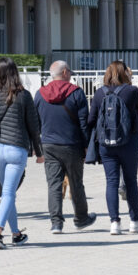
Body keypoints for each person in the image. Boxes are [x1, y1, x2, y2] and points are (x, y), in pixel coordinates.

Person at [0, 59, 42, 248]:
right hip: (17, 148)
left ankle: (16, 234)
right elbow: (34, 126)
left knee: (7, 194)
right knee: (8, 193)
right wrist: (39, 152)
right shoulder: (24, 95)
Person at [88, 60, 138, 235]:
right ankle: (134, 220)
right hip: (129, 142)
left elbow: (91, 120)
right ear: (125, 73)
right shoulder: (131, 91)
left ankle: (114, 222)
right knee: (131, 181)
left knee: (111, 182)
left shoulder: (100, 93)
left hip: (106, 144)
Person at [35, 60, 96, 234]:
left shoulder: (40, 94)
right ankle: (81, 219)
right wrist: (86, 146)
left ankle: (56, 223)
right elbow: (84, 123)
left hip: (49, 145)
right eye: (69, 70)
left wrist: (38, 145)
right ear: (64, 73)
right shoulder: (76, 93)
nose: (70, 73)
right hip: (72, 145)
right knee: (76, 183)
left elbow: (35, 122)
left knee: (54, 184)